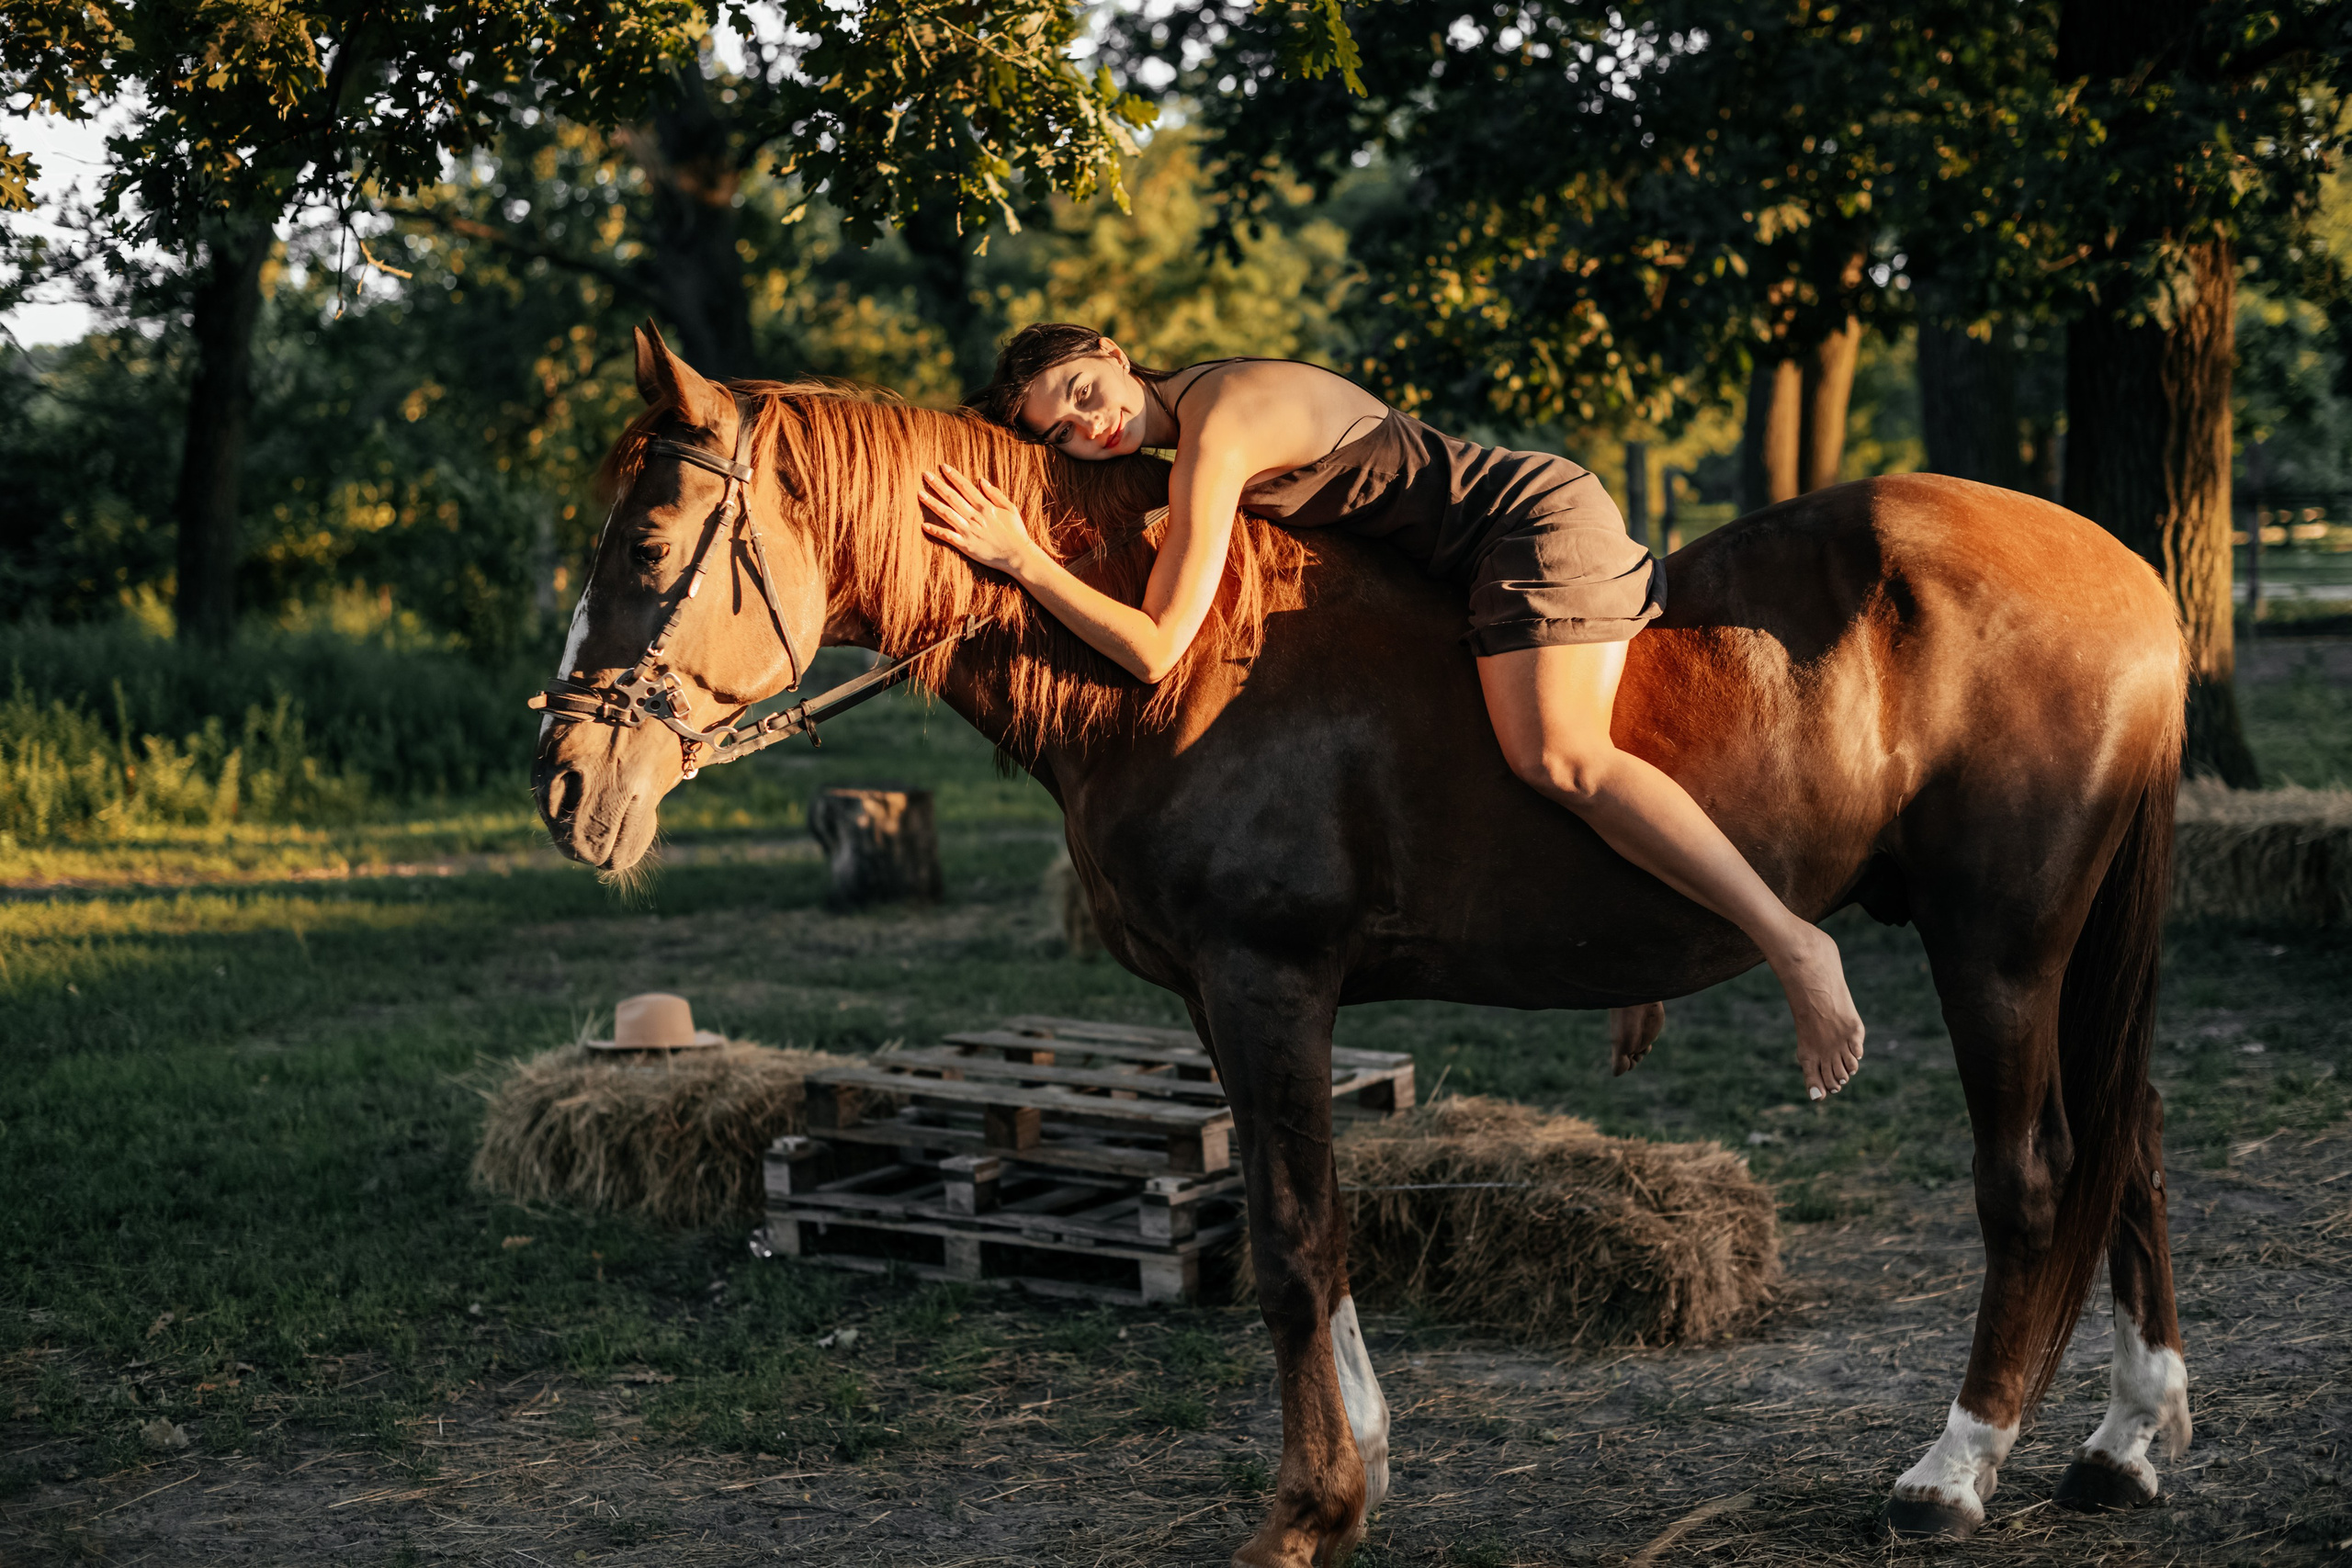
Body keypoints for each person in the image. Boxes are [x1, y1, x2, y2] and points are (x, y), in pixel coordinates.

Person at [917, 326, 1865, 1099]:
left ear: (1114, 353)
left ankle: (1795, 946)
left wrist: (1021, 561)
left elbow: (1158, 644)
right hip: (1455, 571)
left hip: (1526, 525)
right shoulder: (1192, 422)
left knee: (1561, 759)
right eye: (1063, 433)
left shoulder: (1222, 426)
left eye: (1084, 390)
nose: (1090, 425)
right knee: (1498, 756)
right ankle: (1639, 945)